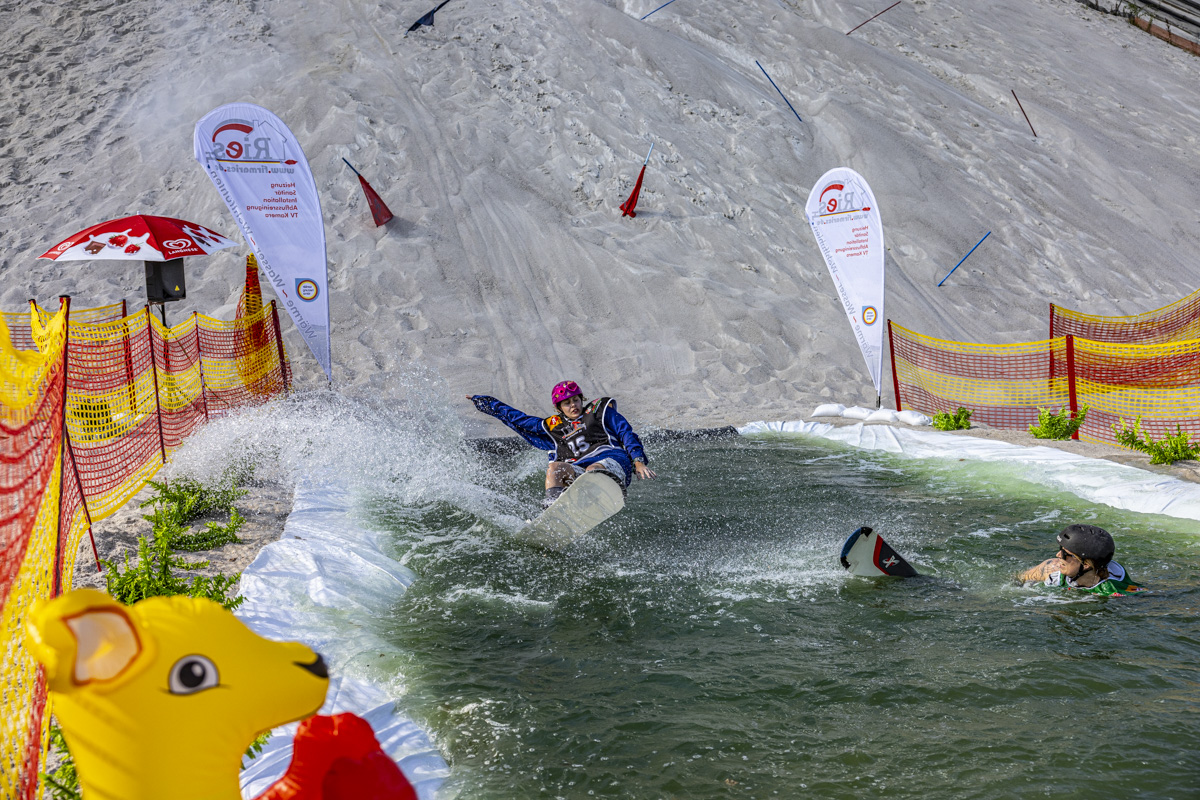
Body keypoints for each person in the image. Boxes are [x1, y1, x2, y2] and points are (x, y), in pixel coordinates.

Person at [467, 380, 657, 508]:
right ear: (558, 408)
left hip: (612, 463)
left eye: (576, 400)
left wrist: (638, 460)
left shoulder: (599, 411)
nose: (573, 405)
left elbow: (626, 433)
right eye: (567, 403)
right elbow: (519, 419)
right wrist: (485, 403)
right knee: (555, 468)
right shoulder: (554, 426)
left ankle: (592, 493)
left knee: (593, 468)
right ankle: (552, 507)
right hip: (583, 473)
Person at [1018, 523, 1143, 596]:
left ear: (1087, 564)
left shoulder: (1114, 591)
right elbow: (1017, 581)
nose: (1057, 555)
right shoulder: (1051, 569)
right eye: (1060, 549)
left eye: (1064, 554)